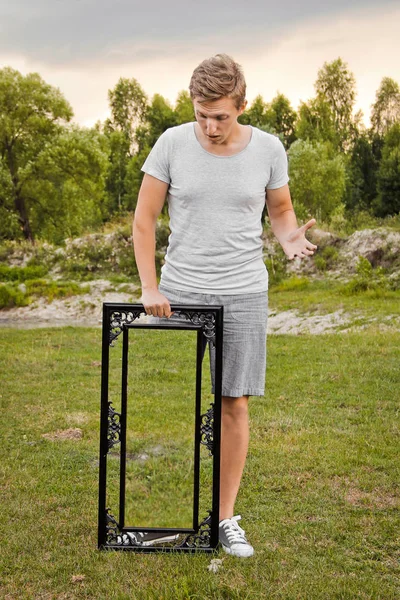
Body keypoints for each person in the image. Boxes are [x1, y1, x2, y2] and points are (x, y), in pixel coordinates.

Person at [132, 54, 317, 558]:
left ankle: (224, 518)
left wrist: (287, 239)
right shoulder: (171, 143)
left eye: (221, 116)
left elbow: (280, 211)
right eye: (201, 114)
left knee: (233, 401)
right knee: (184, 398)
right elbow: (145, 220)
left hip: (242, 290)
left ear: (241, 106)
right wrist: (151, 286)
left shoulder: (269, 149)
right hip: (182, 287)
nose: (211, 127)